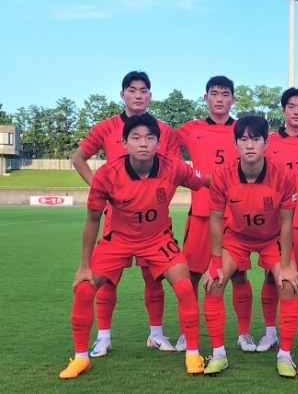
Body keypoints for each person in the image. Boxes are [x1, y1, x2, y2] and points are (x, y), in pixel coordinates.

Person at [59, 114, 208, 379]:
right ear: (125, 143)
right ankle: (81, 358)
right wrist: (83, 266)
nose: (143, 143)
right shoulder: (107, 174)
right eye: (136, 138)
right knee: (84, 289)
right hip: (118, 239)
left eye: (150, 138)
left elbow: (207, 181)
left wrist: (240, 179)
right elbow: (93, 220)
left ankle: (193, 353)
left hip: (157, 238)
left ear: (158, 143)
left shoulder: (173, 166)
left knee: (184, 286)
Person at [71, 71, 181, 357]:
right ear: (123, 95)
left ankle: (156, 334)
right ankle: (104, 337)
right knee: (107, 277)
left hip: (153, 221)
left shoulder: (163, 131)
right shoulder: (107, 127)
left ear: (150, 96)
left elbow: (174, 168)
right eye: (132, 90)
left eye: (144, 91)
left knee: (153, 276)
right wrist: (100, 189)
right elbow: (78, 158)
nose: (138, 96)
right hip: (118, 217)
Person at [202, 116, 298, 377]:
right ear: (235, 144)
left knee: (288, 284)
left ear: (266, 143)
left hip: (272, 238)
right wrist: (214, 265)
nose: (250, 145)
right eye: (243, 139)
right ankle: (219, 353)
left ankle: (285, 356)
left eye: (255, 139)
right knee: (214, 282)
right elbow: (214, 220)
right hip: (236, 238)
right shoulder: (223, 176)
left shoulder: (283, 176)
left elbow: (288, 222)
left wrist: (288, 266)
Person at [255, 87, 298, 353]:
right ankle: (270, 332)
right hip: (275, 223)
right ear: (283, 110)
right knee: (272, 277)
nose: (296, 112)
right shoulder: (269, 142)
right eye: (291, 107)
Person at [174, 76, 239, 351]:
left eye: (226, 94)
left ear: (233, 99)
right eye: (215, 93)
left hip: (236, 214)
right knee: (192, 275)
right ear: (206, 98)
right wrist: (189, 174)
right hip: (201, 213)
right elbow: (164, 146)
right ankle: (186, 333)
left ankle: (244, 333)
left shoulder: (243, 129)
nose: (220, 98)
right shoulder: (190, 129)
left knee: (239, 276)